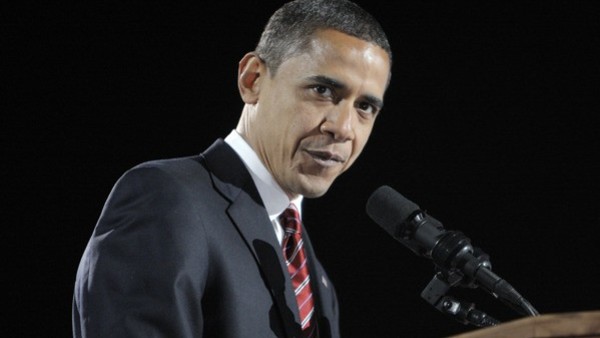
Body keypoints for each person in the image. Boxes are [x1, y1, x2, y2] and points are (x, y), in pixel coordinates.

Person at [72, 0, 392, 337]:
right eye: (322, 90)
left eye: (365, 106)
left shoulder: (317, 279)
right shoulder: (167, 199)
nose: (343, 128)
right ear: (252, 79)